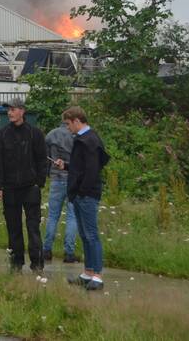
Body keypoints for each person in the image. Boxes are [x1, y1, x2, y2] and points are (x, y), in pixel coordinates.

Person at [54, 106, 110, 291]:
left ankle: (98, 275)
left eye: (68, 124)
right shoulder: (82, 139)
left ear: (77, 121)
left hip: (86, 195)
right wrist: (67, 166)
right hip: (79, 193)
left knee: (91, 234)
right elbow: (81, 168)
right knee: (85, 234)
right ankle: (88, 272)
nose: (68, 128)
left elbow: (92, 170)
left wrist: (82, 191)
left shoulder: (89, 140)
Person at [0, 102, 47, 272]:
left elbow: (41, 160)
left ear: (22, 111)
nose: (10, 113)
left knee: (33, 226)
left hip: (30, 187)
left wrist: (39, 183)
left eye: (13, 109)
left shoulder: (34, 133)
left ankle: (37, 262)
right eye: (8, 110)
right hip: (10, 188)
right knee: (13, 227)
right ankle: (16, 263)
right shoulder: (2, 135)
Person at [43, 118, 79, 264]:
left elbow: (45, 158)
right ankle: (69, 253)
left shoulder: (51, 135)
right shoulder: (76, 136)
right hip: (72, 179)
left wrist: (47, 173)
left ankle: (46, 249)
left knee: (52, 216)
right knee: (72, 216)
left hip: (56, 178)